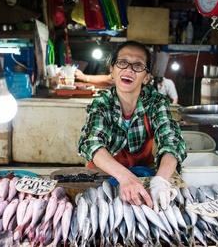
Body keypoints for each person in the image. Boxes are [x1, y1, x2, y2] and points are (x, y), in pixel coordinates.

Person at [77, 41, 187, 211]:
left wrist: (160, 181)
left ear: (147, 77)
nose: (128, 70)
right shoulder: (101, 104)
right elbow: (91, 143)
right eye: (122, 63)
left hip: (144, 176)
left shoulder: (155, 103)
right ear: (112, 70)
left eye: (137, 65)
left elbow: (171, 141)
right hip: (103, 177)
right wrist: (125, 177)